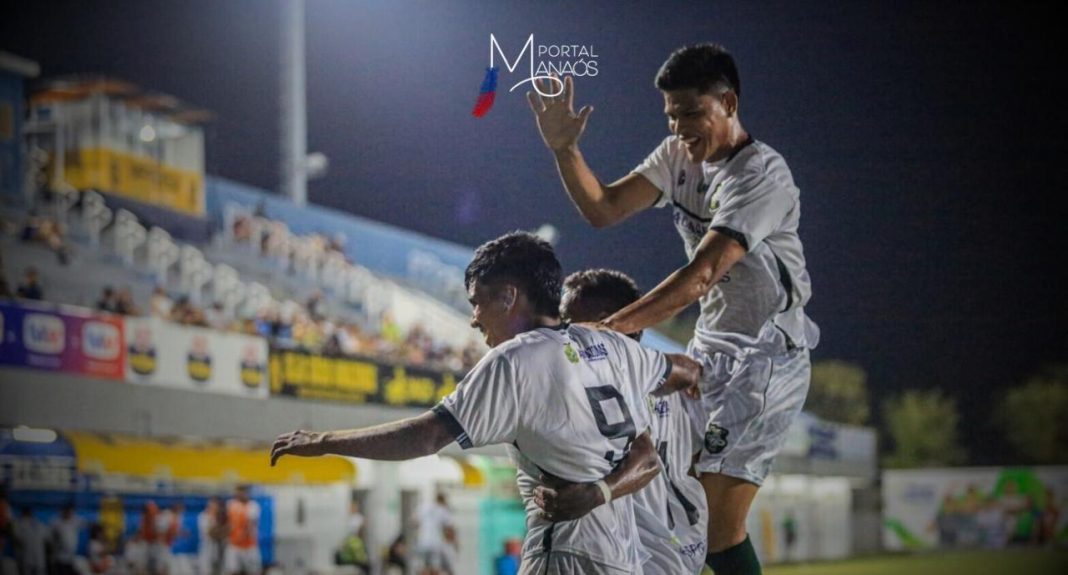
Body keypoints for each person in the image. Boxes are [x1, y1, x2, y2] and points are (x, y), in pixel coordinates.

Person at [528, 44, 819, 574]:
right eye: (671, 115)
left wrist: (609, 332)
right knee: (670, 502)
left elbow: (702, 274)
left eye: (692, 113)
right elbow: (604, 208)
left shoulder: (760, 175)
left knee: (716, 530)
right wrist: (564, 149)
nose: (680, 128)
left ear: (728, 102)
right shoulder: (676, 156)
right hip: (708, 348)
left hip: (766, 357)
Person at [272, 231, 703, 575]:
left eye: (478, 302)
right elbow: (667, 406)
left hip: (564, 555)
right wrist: (689, 382)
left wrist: (325, 440)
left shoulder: (515, 359)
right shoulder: (613, 347)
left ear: (509, 296)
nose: (474, 318)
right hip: (622, 560)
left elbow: (426, 437)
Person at [542, 268, 709, 574]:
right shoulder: (669, 376)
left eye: (568, 319)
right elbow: (697, 460)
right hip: (686, 544)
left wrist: (596, 494)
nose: (562, 329)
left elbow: (646, 461)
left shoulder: (609, 379)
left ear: (605, 321)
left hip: (645, 553)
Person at [223, 486, 260, 575]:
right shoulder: (231, 504)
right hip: (234, 545)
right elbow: (228, 522)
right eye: (237, 492)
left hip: (249, 545)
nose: (238, 495)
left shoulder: (253, 506)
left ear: (246, 493)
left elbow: (250, 524)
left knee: (253, 571)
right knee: (232, 570)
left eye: (241, 492)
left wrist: (242, 536)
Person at [412, 493, 452, 574]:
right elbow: (448, 529)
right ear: (443, 500)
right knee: (435, 567)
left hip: (422, 542)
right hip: (435, 544)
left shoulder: (424, 506)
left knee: (423, 567)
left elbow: (414, 522)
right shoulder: (443, 509)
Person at [50, 504, 84, 575]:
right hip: (60, 558)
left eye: (70, 512)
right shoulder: (57, 522)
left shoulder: (75, 521)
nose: (69, 514)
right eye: (67, 512)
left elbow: (85, 523)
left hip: (71, 558)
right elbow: (51, 536)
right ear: (63, 512)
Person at [12, 507, 47, 575]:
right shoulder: (39, 524)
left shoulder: (19, 524)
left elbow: (17, 540)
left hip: (30, 558)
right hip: (33, 558)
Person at [197, 498, 223, 575]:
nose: (214, 508)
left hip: (218, 547)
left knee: (218, 570)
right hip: (206, 547)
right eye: (212, 506)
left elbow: (224, 532)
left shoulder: (219, 517)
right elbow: (209, 533)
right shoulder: (203, 516)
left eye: (216, 506)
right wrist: (218, 531)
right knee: (206, 571)